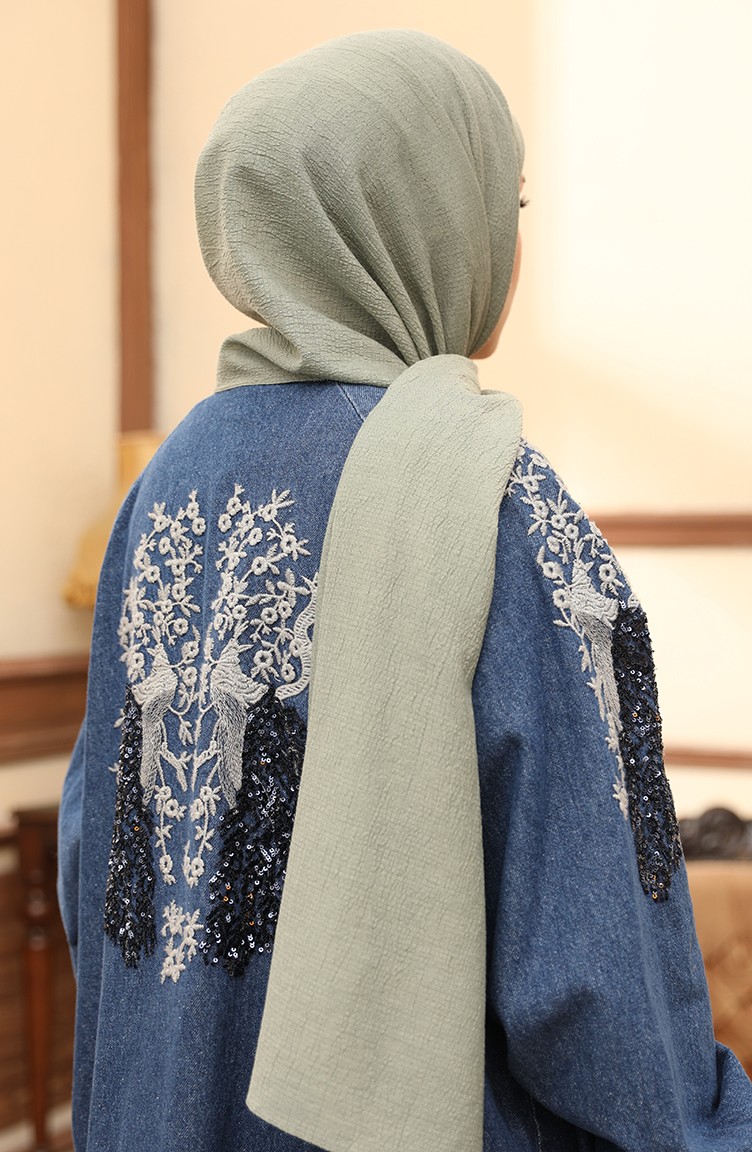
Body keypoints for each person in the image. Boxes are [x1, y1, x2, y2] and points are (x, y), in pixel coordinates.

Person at [57, 29, 752, 1152]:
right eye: (504, 206)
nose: (511, 246)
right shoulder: (493, 504)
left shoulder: (159, 492)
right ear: (417, 222)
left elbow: (92, 869)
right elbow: (598, 982)